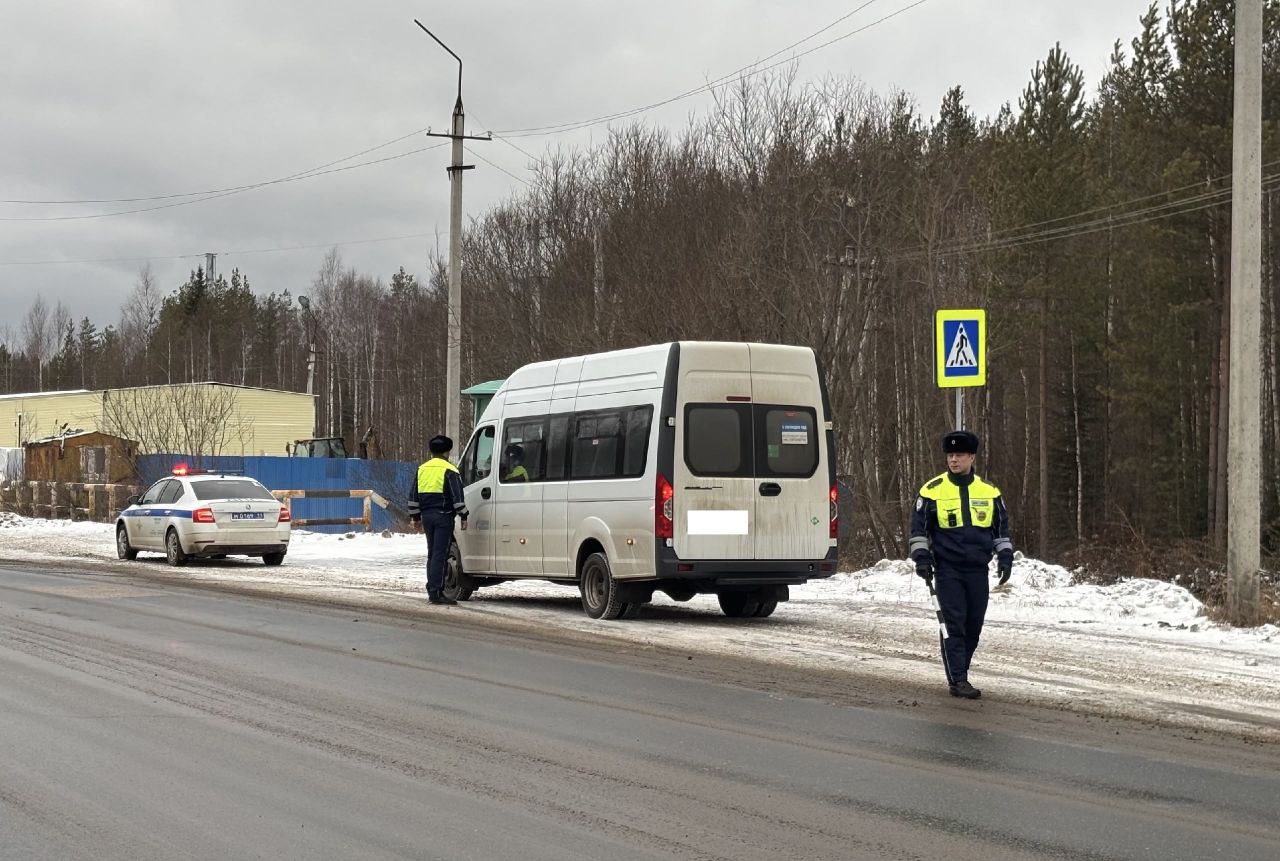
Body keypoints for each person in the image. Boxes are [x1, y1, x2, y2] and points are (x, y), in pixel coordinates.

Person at [908, 430, 1013, 699]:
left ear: (971, 457)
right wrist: (922, 559)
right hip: (948, 570)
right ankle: (958, 679)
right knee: (953, 625)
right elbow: (919, 530)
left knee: (973, 626)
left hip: (978, 570)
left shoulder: (989, 492)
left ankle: (960, 672)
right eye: (950, 455)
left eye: (959, 455)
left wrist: (1005, 558)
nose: (954, 460)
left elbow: (1001, 530)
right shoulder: (931, 491)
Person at [408, 434, 469, 605]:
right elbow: (458, 499)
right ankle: (436, 592)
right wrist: (464, 515)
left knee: (432, 553)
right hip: (444, 517)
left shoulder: (422, 469)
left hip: (427, 517)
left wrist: (415, 517)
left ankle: (432, 588)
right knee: (440, 555)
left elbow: (413, 497)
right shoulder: (450, 470)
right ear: (447, 452)